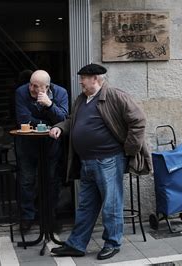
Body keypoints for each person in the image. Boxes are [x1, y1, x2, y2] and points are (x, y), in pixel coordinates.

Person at [48, 63, 152, 260]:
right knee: (86, 205)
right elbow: (72, 120)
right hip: (87, 162)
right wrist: (60, 127)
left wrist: (129, 150)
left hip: (109, 160)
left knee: (111, 204)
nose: (80, 81)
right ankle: (77, 244)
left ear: (95, 78)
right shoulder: (81, 99)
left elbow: (138, 120)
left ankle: (112, 242)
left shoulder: (114, 96)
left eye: (83, 78)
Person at [15, 70, 69, 232]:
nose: (31, 88)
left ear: (46, 87)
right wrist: (48, 124)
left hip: (51, 145)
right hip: (27, 145)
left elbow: (63, 120)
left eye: (36, 86)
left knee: (52, 180)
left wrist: (50, 105)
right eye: (31, 84)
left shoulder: (60, 93)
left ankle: (49, 215)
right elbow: (23, 119)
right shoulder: (21, 92)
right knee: (26, 180)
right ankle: (27, 216)